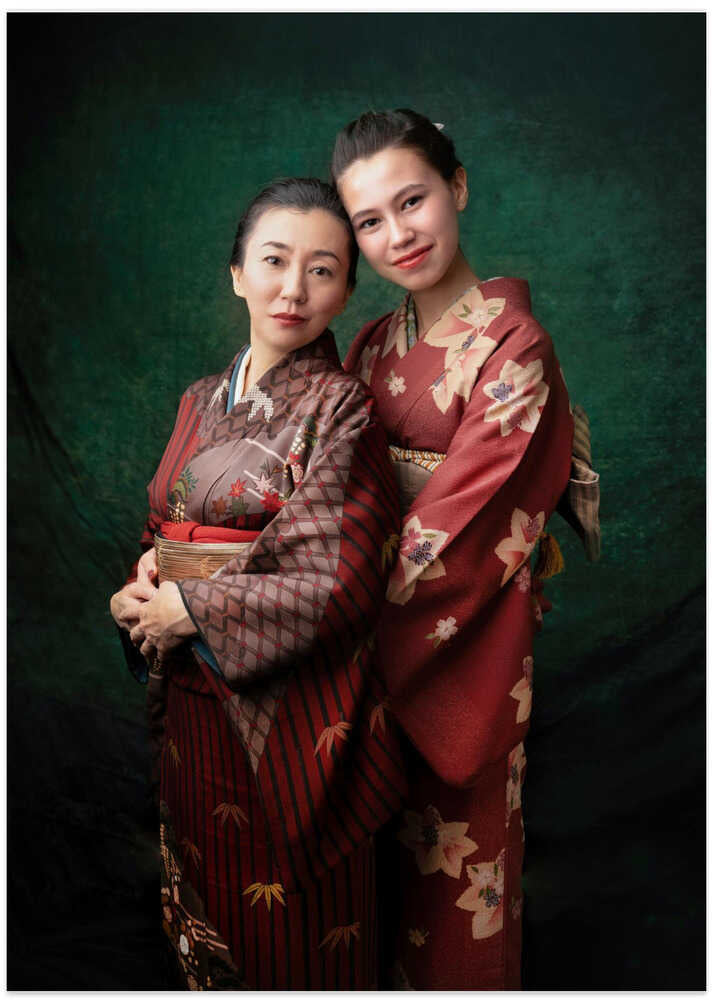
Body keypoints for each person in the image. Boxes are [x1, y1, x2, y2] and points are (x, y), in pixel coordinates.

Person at [109, 178, 406, 990]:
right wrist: (139, 587)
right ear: (237, 272)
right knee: (208, 909)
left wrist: (193, 605)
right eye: (274, 261)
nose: (293, 289)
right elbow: (164, 529)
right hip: (192, 704)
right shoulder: (198, 401)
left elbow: (336, 577)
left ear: (346, 289)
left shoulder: (343, 408)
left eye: (322, 270)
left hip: (287, 721)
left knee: (297, 941)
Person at [331, 109, 575, 989]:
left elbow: (460, 535)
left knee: (455, 893)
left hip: (462, 645)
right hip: (362, 643)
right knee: (362, 894)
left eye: (413, 201)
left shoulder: (515, 350)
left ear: (458, 187)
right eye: (368, 221)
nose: (397, 235)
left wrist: (321, 617)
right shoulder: (371, 344)